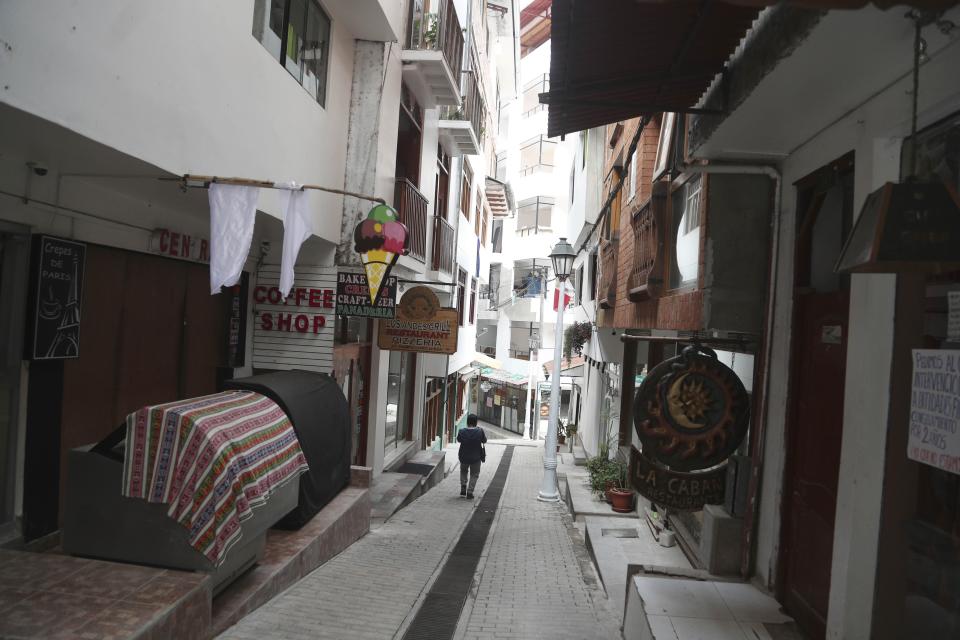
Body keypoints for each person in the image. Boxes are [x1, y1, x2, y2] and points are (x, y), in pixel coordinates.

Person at [457, 414, 487, 499]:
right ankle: (470, 492)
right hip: (476, 457)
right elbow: (484, 440)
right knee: (474, 474)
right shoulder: (480, 431)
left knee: (463, 471)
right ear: (476, 422)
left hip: (464, 456)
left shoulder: (461, 431)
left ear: (467, 422)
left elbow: (459, 440)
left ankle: (463, 485)